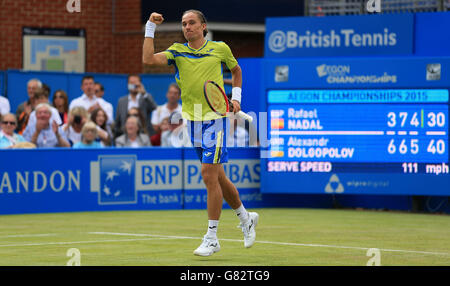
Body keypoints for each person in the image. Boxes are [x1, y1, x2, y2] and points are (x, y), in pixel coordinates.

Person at [142, 10, 258, 257]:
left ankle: (212, 237)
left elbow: (236, 71)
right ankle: (246, 218)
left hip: (215, 120)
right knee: (219, 178)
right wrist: (150, 28)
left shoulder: (220, 48)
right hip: (192, 121)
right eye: (184, 24)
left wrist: (235, 98)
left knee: (208, 174)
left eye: (192, 23)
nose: (187, 27)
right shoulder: (177, 51)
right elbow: (148, 60)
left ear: (203, 26)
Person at [114, 74, 157, 139]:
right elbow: (118, 122)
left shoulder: (145, 98)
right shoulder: (121, 101)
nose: (133, 85)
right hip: (125, 136)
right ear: (127, 84)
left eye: (135, 83)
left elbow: (154, 107)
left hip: (144, 135)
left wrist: (144, 93)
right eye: (131, 83)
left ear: (140, 84)